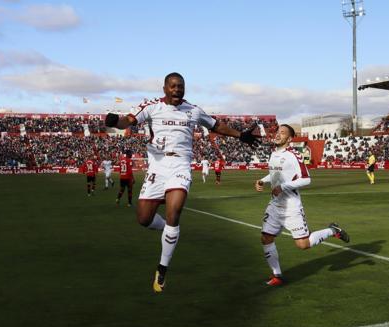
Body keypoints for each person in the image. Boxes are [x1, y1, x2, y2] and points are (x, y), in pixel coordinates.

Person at [105, 72, 260, 292]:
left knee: (174, 211)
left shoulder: (193, 110)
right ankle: (169, 231)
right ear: (165, 89)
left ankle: (162, 269)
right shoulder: (151, 106)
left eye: (181, 87)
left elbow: (216, 125)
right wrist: (115, 122)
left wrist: (240, 135)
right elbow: (128, 121)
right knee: (144, 218)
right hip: (157, 168)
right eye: (174, 86)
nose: (178, 90)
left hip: (180, 166)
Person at [255, 124, 350, 286]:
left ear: (290, 139)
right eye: (278, 132)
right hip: (275, 205)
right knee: (266, 238)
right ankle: (277, 275)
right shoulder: (273, 154)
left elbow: (306, 179)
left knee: (303, 244)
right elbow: (275, 174)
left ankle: (333, 230)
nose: (278, 134)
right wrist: (263, 181)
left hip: (291, 207)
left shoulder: (293, 155)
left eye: (283, 133)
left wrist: (283, 187)